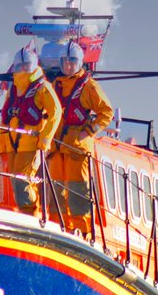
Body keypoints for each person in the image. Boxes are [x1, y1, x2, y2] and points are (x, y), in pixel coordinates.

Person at [49, 40, 114, 236]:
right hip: (57, 147)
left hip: (77, 147)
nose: (68, 66)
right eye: (65, 62)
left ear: (80, 63)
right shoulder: (56, 85)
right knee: (56, 190)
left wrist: (88, 131)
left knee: (78, 190)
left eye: (72, 62)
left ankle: (81, 229)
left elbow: (106, 113)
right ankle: (56, 225)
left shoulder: (89, 86)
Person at [0, 47, 62, 216]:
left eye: (27, 65)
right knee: (15, 181)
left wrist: (45, 139)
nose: (24, 69)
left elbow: (56, 112)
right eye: (20, 66)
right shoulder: (13, 88)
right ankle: (25, 213)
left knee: (23, 181)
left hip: (31, 143)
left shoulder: (42, 87)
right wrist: (2, 142)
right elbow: (5, 116)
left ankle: (31, 216)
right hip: (13, 144)